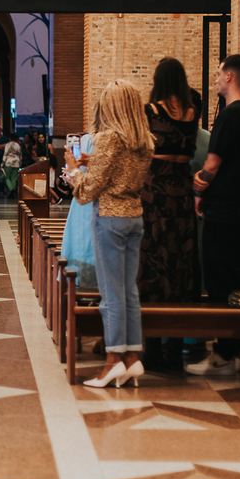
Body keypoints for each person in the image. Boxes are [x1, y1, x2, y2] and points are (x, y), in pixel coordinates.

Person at [64, 80, 154, 388]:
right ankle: (133, 357)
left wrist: (74, 170)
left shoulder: (108, 138)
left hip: (110, 219)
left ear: (110, 106)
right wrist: (92, 162)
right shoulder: (144, 140)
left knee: (111, 295)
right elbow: (118, 170)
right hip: (134, 218)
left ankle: (113, 361)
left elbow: (87, 192)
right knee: (129, 292)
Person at [187, 54, 240, 376]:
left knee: (219, 286)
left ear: (230, 77)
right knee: (237, 285)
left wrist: (198, 188)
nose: (216, 78)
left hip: (224, 215)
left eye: (219, 73)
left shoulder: (230, 116)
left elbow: (212, 165)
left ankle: (224, 356)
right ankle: (237, 352)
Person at [138, 58, 199, 372]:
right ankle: (175, 350)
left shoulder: (151, 112)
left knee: (153, 266)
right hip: (183, 195)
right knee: (180, 269)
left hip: (156, 195)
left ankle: (152, 350)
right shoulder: (193, 110)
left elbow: (141, 151)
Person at [61, 106, 100, 289]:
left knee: (82, 242)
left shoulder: (87, 140)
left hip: (83, 204)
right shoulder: (126, 141)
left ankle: (80, 285)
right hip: (104, 203)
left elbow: (79, 180)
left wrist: (71, 173)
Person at [1, 133, 23, 197]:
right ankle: (13, 190)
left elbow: (5, 154)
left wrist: (2, 164)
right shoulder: (18, 145)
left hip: (8, 163)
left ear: (10, 138)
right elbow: (20, 155)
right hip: (17, 163)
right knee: (14, 178)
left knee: (7, 178)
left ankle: (11, 189)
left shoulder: (7, 145)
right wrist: (20, 164)